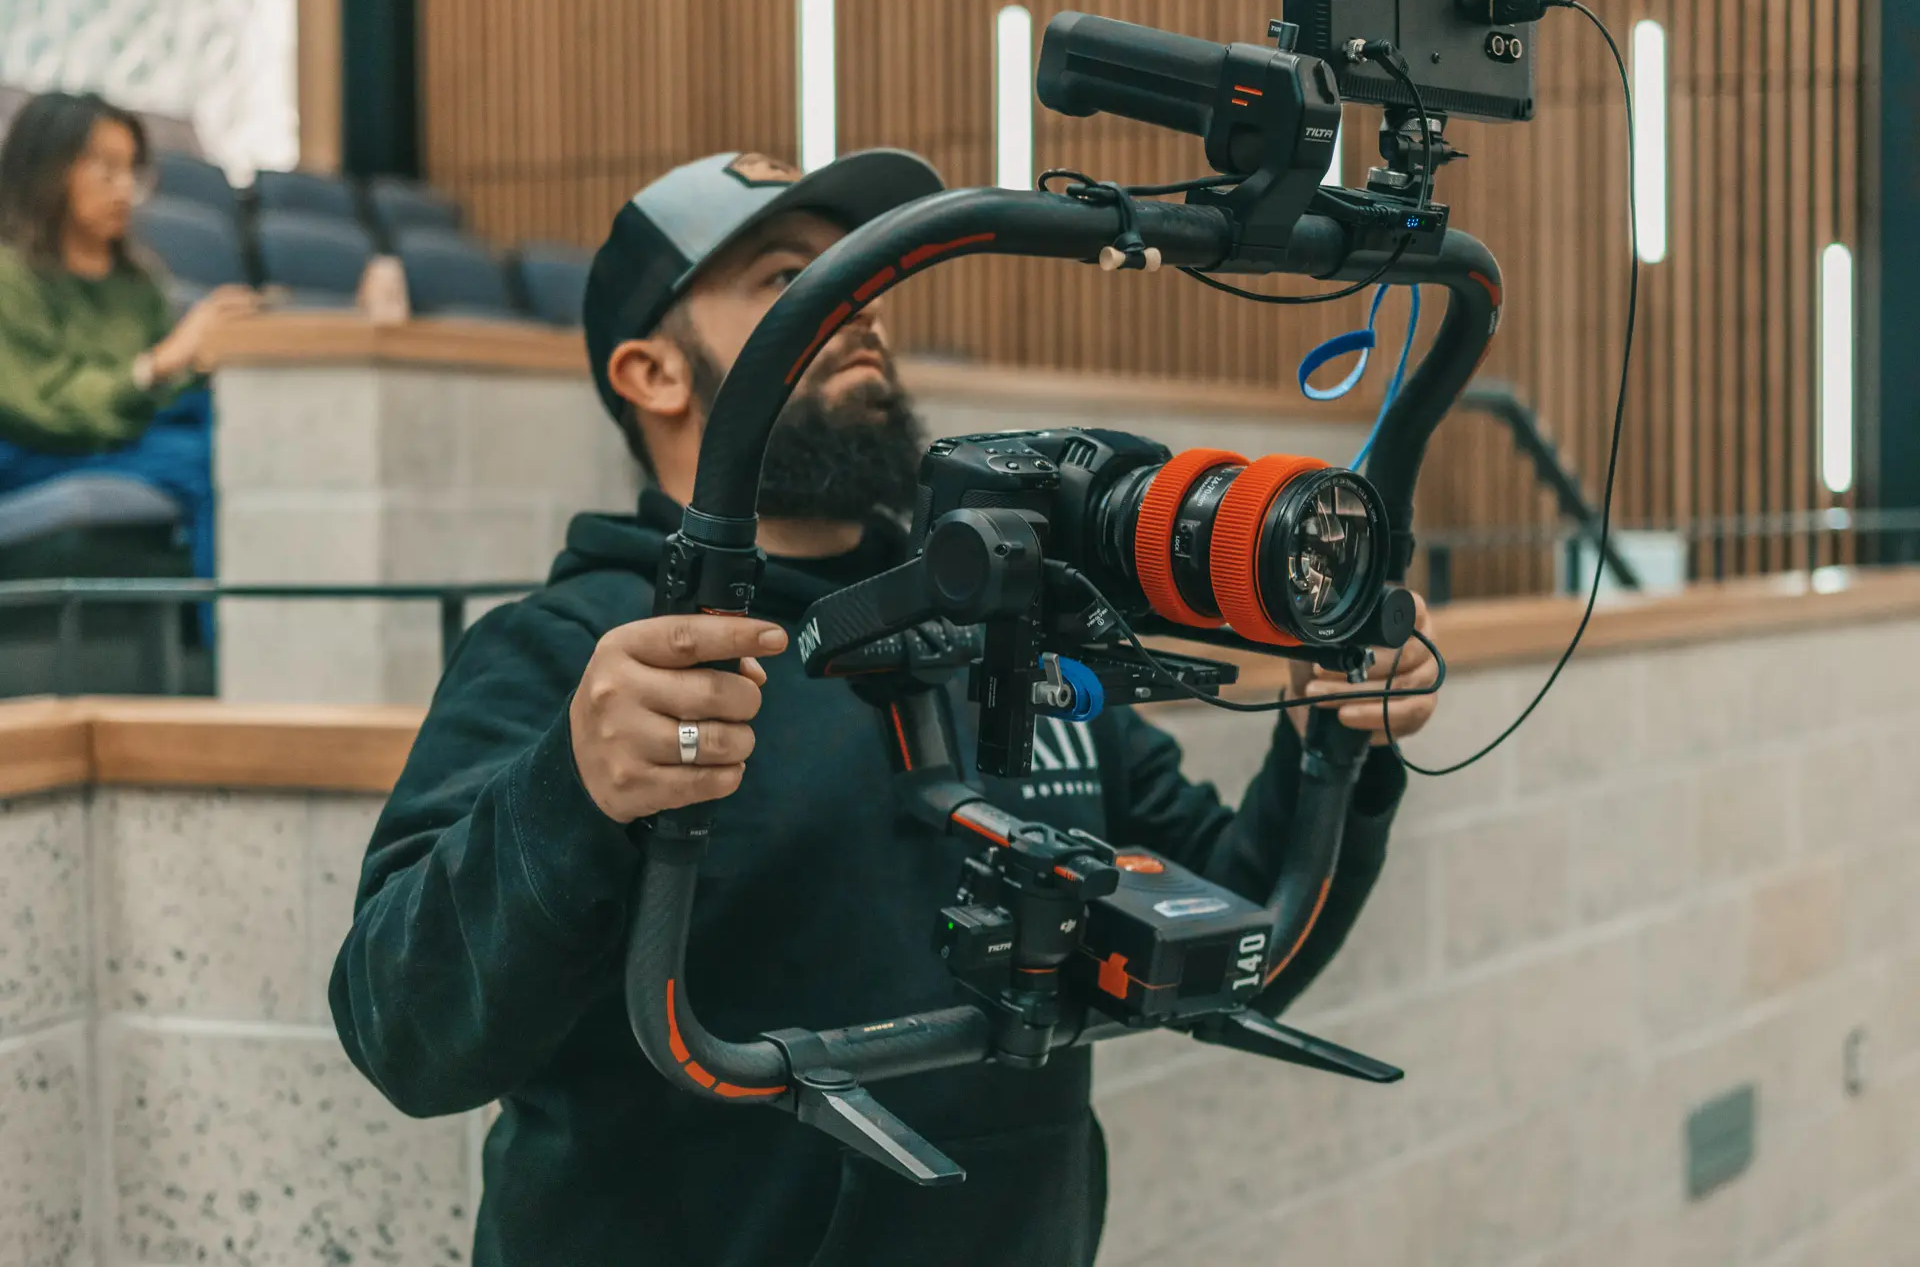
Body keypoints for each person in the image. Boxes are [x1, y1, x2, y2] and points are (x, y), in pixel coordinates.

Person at [329, 149, 1443, 1267]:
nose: (855, 305)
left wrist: (1332, 745)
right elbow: (405, 1035)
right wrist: (571, 787)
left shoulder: (1009, 629)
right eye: (786, 280)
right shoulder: (571, 657)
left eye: (861, 277)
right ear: (653, 373)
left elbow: (1246, 934)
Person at [0, 90, 258, 583]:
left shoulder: (135, 282)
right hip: (34, 448)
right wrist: (160, 363)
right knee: (211, 462)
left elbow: (156, 389)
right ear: (48, 173)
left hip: (116, 434)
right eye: (106, 170)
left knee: (242, 431)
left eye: (132, 172)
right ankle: (223, 646)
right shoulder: (8, 276)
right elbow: (44, 405)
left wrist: (201, 360)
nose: (124, 190)